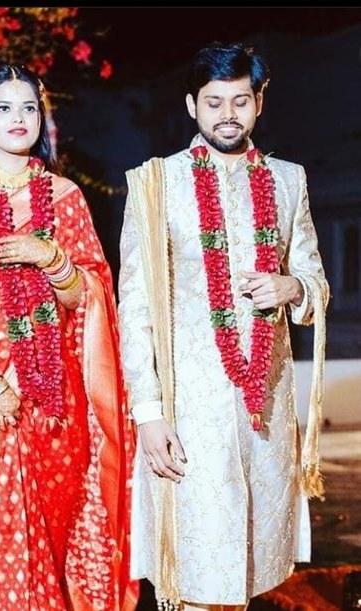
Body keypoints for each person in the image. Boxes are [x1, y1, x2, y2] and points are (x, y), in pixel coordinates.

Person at [118, 42, 329, 611]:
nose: (227, 114)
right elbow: (133, 306)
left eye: (240, 100)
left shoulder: (288, 181)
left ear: (259, 102)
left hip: (264, 408)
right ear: (192, 106)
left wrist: (293, 287)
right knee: (193, 570)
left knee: (248, 572)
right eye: (214, 102)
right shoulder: (157, 184)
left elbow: (314, 279)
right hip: (188, 412)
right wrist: (148, 413)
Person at [0, 63, 139, 610]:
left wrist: (53, 260)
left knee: (54, 529)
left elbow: (86, 297)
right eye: (3, 107)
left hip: (54, 391)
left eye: (28, 108)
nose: (18, 118)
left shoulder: (64, 196)